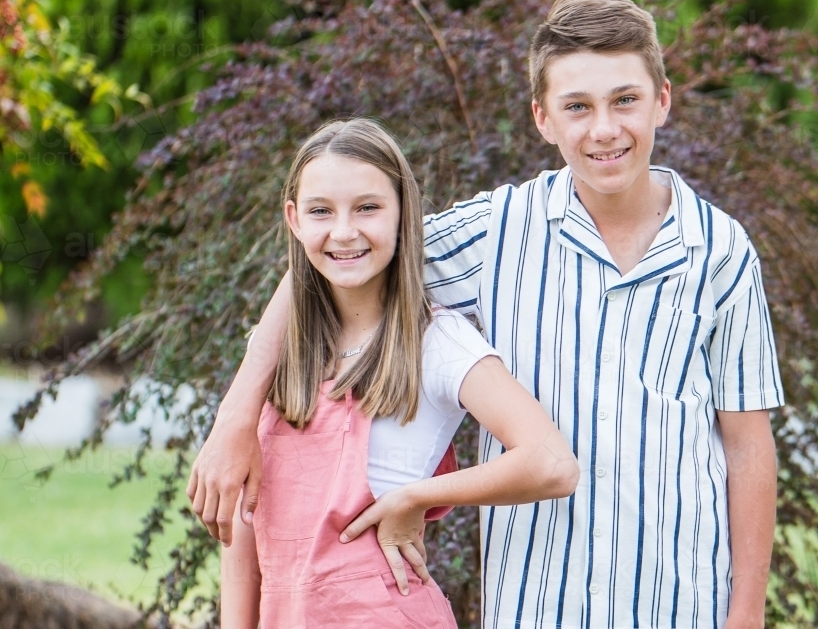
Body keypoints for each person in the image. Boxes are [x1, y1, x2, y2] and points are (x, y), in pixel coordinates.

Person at [194, 0, 784, 629]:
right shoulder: (497, 231)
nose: (605, 128)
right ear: (543, 118)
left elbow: (747, 445)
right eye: (577, 107)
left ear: (662, 100)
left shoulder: (722, 251)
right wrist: (236, 415)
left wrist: (745, 613)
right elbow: (332, 259)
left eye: (626, 100)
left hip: (681, 598)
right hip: (537, 600)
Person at [216, 118, 580, 629]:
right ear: (294, 220)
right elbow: (244, 521)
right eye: (322, 211)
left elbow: (552, 464)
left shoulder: (435, 340)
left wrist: (416, 497)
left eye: (368, 207)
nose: (344, 231)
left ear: (404, 213)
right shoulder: (279, 354)